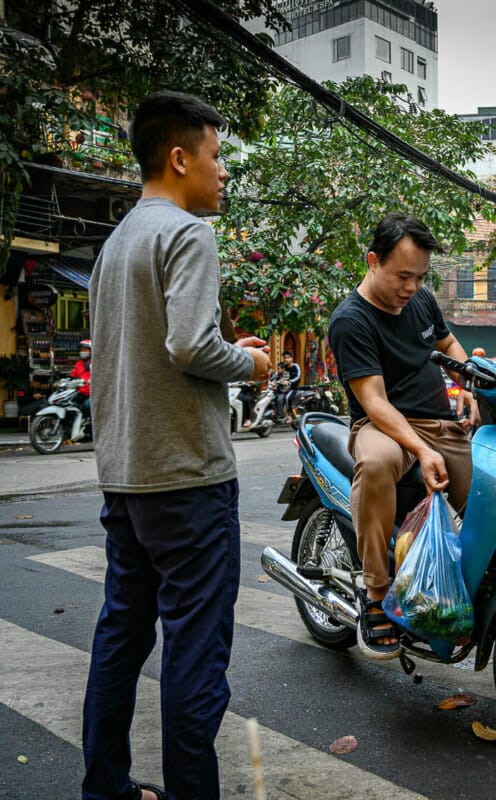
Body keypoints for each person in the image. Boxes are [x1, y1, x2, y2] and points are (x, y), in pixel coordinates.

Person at [84, 90, 272, 800]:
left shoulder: (118, 240)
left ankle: (105, 789)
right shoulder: (189, 233)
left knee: (120, 642)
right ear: (178, 157)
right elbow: (191, 345)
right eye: (216, 157)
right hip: (188, 480)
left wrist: (225, 349)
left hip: (127, 478)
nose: (222, 172)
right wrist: (250, 363)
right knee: (196, 656)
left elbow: (141, 353)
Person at [329, 211, 478, 660]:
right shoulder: (350, 320)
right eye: (402, 276)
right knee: (375, 463)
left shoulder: (422, 300)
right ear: (373, 261)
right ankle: (376, 593)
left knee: (495, 486)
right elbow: (374, 401)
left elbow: (447, 345)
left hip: (439, 423)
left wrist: (466, 381)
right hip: (381, 428)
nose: (411, 287)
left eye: (419, 277)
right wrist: (420, 449)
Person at [273, 349, 301, 424]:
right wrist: (271, 380)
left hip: (292, 388)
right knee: (275, 396)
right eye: (285, 358)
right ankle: (278, 414)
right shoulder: (283, 366)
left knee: (287, 397)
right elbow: (276, 374)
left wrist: (289, 382)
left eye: (288, 357)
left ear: (292, 358)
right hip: (283, 389)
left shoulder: (296, 366)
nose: (286, 359)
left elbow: (298, 377)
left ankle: (289, 415)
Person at [70, 338, 92, 423]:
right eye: (81, 349)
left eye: (85, 349)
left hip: (92, 394)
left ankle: (90, 427)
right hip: (81, 393)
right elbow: (72, 377)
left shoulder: (95, 363)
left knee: (87, 404)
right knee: (69, 402)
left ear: (90, 351)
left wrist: (90, 380)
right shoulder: (78, 364)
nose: (83, 351)